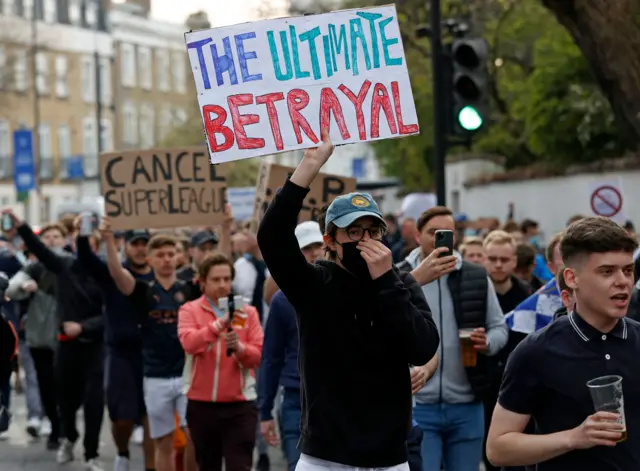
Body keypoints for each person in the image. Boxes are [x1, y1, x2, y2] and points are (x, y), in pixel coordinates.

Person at [257, 131, 439, 470]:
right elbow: (271, 237)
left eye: (373, 231)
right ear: (331, 240)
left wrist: (387, 283)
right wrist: (309, 165)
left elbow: (424, 347)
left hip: (387, 457)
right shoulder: (313, 284)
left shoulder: (398, 284)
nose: (365, 240)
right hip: (325, 456)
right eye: (354, 233)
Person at [487, 216, 640, 470]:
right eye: (606, 271)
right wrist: (573, 438)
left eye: (627, 270)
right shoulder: (536, 352)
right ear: (571, 278)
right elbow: (497, 448)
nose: (622, 281)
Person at [8, 210, 105, 470]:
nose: (85, 250)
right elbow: (40, 251)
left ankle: (92, 452)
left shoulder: (106, 274)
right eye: (81, 243)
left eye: (91, 245)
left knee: (95, 401)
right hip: (66, 346)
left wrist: (83, 327)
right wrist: (22, 228)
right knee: (66, 400)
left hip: (95, 347)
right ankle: (68, 437)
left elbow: (111, 315)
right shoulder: (64, 268)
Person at [104, 222, 191, 471]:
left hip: (186, 374)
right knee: (163, 441)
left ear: (179, 257)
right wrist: (109, 239)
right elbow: (117, 274)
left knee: (192, 439)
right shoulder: (143, 290)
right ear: (151, 260)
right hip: (155, 376)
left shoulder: (190, 287)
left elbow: (222, 265)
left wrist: (226, 230)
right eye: (160, 255)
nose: (166, 259)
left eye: (171, 254)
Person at [179, 252, 263, 471]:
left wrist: (240, 348)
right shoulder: (189, 310)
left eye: (227, 279)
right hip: (201, 405)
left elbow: (258, 355)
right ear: (203, 282)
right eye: (216, 280)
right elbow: (189, 343)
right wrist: (217, 326)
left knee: (239, 465)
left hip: (240, 406)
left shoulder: (248, 312)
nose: (223, 285)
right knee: (207, 465)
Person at [258, 221, 325, 471]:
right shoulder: (281, 300)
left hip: (334, 399)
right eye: (307, 248)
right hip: (296, 400)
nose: (315, 253)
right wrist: (264, 412)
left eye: (318, 245)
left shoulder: (343, 289)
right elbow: (271, 358)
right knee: (297, 466)